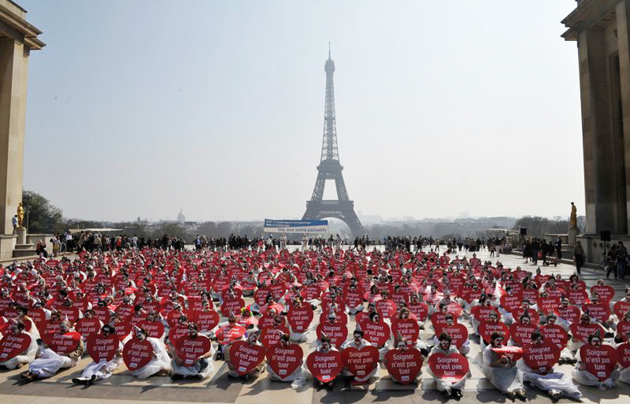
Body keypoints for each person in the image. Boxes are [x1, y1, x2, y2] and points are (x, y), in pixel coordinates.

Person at [517, 331, 581, 400]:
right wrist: (533, 371)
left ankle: (562, 389)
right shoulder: (526, 349)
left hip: (547, 372)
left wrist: (551, 369)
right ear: (532, 340)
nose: (539, 341)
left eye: (540, 339)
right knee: (533, 377)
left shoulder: (547, 347)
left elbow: (549, 360)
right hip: (533, 373)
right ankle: (557, 390)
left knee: (561, 374)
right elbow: (521, 367)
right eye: (536, 339)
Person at [481, 332, 526, 399]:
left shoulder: (504, 348)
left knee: (516, 370)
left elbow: (512, 364)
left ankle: (518, 388)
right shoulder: (488, 349)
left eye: (501, 340)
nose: (499, 342)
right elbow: (489, 364)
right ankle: (506, 390)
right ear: (493, 340)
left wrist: (511, 360)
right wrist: (499, 361)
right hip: (492, 369)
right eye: (497, 340)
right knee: (495, 372)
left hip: (503, 368)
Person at [428, 333, 469, 398]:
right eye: (444, 343)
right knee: (440, 378)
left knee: (464, 374)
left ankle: (456, 389)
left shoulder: (453, 349)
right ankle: (446, 390)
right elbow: (431, 360)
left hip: (452, 369)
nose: (445, 345)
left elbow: (459, 359)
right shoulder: (435, 350)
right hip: (440, 370)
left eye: (447, 344)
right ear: (440, 342)